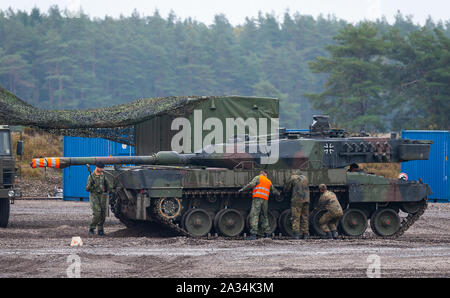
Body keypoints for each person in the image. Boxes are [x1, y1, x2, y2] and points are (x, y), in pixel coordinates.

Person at [239, 170, 280, 240]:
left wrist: (243, 189)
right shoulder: (268, 181)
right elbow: (273, 190)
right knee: (264, 215)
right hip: (265, 200)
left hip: (257, 198)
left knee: (254, 215)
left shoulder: (258, 177)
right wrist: (279, 193)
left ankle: (254, 234)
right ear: (265, 174)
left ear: (262, 173)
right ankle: (267, 233)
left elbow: (252, 184)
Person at [86, 162, 113, 236]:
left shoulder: (103, 176)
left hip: (102, 196)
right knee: (97, 213)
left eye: (102, 168)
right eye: (100, 168)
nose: (101, 169)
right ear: (97, 167)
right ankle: (91, 228)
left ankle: (100, 229)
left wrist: (111, 190)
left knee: (103, 213)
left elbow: (108, 185)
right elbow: (87, 188)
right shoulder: (91, 177)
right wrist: (93, 186)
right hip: (94, 196)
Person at [284, 172, 310, 239]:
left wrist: (285, 192)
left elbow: (287, 188)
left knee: (296, 217)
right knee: (305, 217)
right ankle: (305, 235)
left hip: (297, 200)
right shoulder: (305, 177)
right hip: (306, 199)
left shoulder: (292, 177)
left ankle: (296, 235)